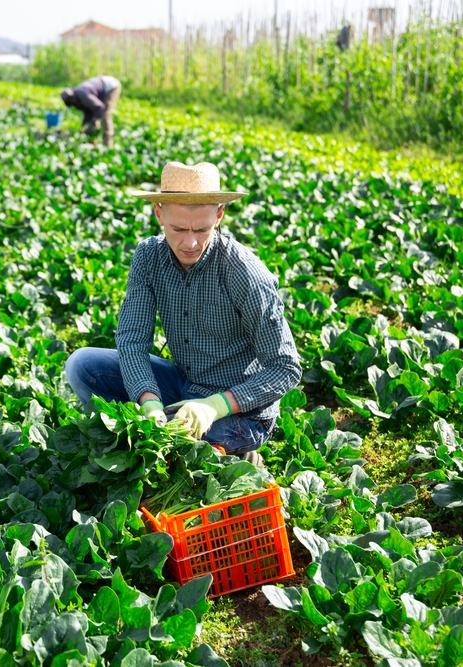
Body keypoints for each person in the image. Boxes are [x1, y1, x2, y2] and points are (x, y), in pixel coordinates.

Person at [64, 161, 302, 464]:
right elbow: (132, 341)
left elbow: (286, 367)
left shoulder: (244, 272)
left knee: (170, 450)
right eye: (178, 229)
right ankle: (186, 431)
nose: (190, 243)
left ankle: (241, 452)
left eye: (201, 229)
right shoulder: (148, 257)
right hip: (186, 382)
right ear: (159, 213)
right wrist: (148, 401)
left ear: (219, 215)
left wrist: (214, 406)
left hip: (243, 408)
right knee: (82, 366)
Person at [60, 75, 121, 148]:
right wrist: (84, 127)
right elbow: (88, 113)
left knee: (105, 115)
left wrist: (93, 120)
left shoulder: (83, 95)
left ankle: (108, 145)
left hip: (111, 86)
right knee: (91, 120)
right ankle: (91, 144)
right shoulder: (78, 99)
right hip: (102, 89)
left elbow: (100, 107)